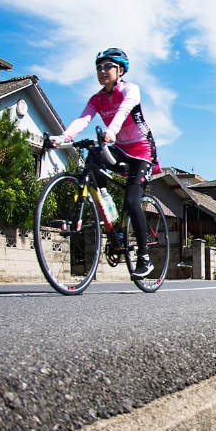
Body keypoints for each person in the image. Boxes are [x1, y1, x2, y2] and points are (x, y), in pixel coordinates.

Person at [51, 48, 159, 278]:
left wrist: (111, 131)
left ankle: (143, 257)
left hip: (142, 151)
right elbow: (83, 119)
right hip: (120, 148)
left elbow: (123, 111)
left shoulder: (131, 90)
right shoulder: (97, 98)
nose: (102, 71)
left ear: (120, 70)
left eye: (107, 66)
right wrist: (63, 138)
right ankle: (110, 219)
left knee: (132, 200)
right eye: (99, 67)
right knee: (94, 161)